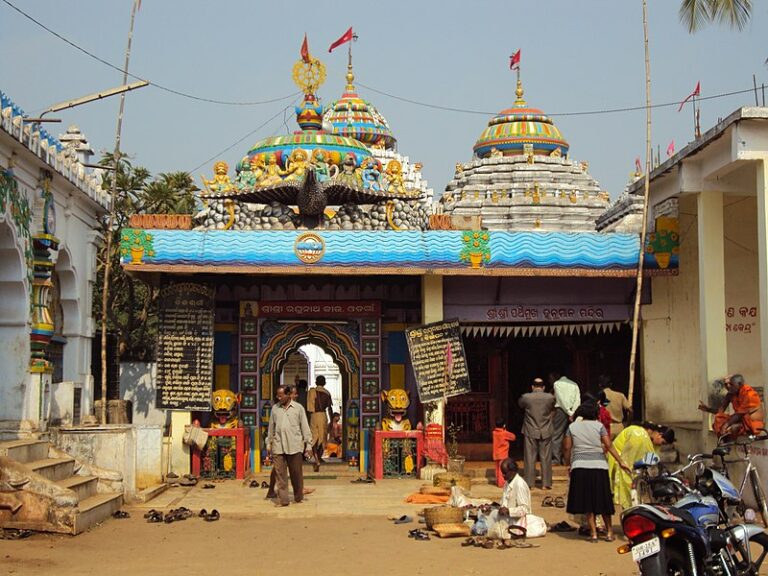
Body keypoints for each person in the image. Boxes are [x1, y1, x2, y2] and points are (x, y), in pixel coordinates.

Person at [563, 401, 631, 543]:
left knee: (588, 502)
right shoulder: (599, 426)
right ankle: (609, 532)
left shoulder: (572, 427)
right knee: (603, 500)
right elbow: (609, 445)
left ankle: (593, 533)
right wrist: (621, 461)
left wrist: (568, 464)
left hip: (580, 466)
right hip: (599, 466)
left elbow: (567, 448)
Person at [608, 421, 675, 509]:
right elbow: (630, 459)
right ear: (659, 434)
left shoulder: (646, 437)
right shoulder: (639, 435)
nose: (660, 445)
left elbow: (650, 457)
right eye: (662, 443)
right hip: (620, 459)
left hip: (623, 458)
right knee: (628, 483)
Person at [266, 384, 313, 506]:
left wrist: (308, 446)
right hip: (278, 446)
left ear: (288, 395)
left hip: (295, 446)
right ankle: (284, 500)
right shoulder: (275, 409)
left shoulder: (298, 408)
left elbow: (305, 428)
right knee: (280, 474)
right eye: (277, 395)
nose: (278, 398)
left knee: (296, 474)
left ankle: (298, 496)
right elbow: (271, 428)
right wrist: (268, 443)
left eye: (281, 395)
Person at [698, 374, 765, 439]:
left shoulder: (749, 394)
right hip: (739, 420)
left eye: (731, 384)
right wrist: (708, 409)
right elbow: (720, 411)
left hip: (752, 424)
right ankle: (725, 445)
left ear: (739, 384)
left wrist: (725, 426)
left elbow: (739, 414)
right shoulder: (730, 394)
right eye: (726, 384)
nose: (728, 386)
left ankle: (729, 441)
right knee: (718, 420)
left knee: (732, 427)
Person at [518, 378, 556, 489]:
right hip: (546, 429)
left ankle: (530, 483)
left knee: (530, 457)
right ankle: (546, 483)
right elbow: (553, 407)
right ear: (543, 387)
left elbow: (521, 405)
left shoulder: (526, 397)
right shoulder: (550, 397)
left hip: (531, 429)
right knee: (546, 457)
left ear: (532, 387)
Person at [498, 458, 547, 538]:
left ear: (512, 471)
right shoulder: (507, 483)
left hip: (518, 520)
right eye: (502, 473)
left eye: (505, 473)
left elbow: (525, 509)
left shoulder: (520, 485)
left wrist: (508, 511)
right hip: (508, 518)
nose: (503, 475)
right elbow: (504, 502)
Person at [550, 372, 581, 464]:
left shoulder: (557, 384)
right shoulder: (574, 384)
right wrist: (574, 412)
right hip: (573, 411)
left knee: (556, 435)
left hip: (562, 411)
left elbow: (561, 399)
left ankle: (556, 459)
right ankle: (569, 459)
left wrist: (568, 412)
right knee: (572, 435)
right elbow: (577, 399)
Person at [307, 375, 333, 472]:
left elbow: (309, 407)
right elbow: (329, 408)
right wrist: (331, 420)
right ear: (325, 383)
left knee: (314, 437)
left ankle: (317, 459)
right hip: (323, 415)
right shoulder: (327, 393)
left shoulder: (312, 391)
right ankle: (319, 457)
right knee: (323, 436)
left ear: (316, 382)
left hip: (314, 415)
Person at [492, 418, 517, 488]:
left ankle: (497, 482)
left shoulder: (494, 433)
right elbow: (513, 437)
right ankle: (501, 484)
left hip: (496, 454)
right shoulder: (504, 433)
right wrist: (504, 429)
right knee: (501, 469)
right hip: (502, 454)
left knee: (497, 469)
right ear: (504, 425)